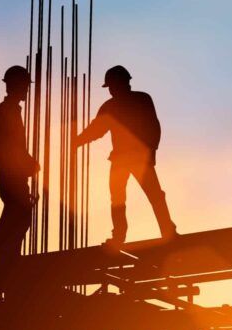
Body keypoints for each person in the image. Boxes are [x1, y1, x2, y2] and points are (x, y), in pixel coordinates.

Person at [74, 65, 177, 247]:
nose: (111, 90)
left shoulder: (135, 101)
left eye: (112, 86)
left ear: (120, 83)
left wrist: (151, 151)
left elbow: (153, 126)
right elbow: (97, 130)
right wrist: (77, 141)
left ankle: (164, 231)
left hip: (134, 158)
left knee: (145, 197)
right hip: (124, 159)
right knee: (124, 198)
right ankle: (126, 235)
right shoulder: (117, 105)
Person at [0, 65, 40, 260]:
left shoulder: (11, 110)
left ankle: (9, 255)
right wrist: (30, 163)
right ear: (15, 86)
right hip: (10, 174)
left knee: (19, 215)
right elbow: (10, 145)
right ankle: (5, 256)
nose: (27, 90)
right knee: (18, 214)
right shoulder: (6, 111)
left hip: (14, 174)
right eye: (25, 86)